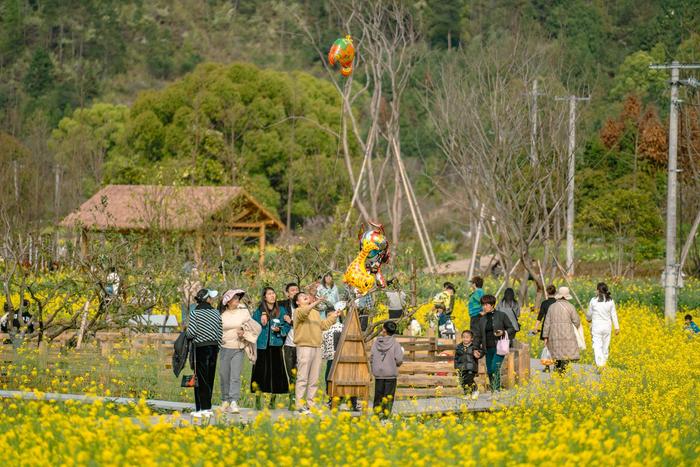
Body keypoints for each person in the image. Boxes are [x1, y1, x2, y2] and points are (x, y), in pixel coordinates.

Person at [293, 291, 340, 414]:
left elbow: (323, 326)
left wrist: (334, 316)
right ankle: (299, 405)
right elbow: (304, 313)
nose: (306, 297)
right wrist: (317, 302)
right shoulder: (298, 311)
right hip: (304, 347)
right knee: (302, 377)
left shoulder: (315, 313)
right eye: (303, 297)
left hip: (317, 347)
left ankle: (311, 404)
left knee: (314, 378)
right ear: (298, 302)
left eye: (306, 296)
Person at [185, 288, 223, 417]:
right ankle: (206, 408)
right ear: (207, 299)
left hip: (200, 348)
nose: (211, 299)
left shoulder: (195, 313)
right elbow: (220, 332)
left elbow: (191, 333)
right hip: (213, 348)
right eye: (210, 297)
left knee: (201, 378)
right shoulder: (216, 312)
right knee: (210, 377)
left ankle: (203, 409)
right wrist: (217, 346)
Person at [251, 287, 290, 409]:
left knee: (276, 373)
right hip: (261, 345)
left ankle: (272, 401)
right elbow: (253, 325)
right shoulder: (259, 311)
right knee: (259, 373)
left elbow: (287, 325)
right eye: (269, 294)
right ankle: (257, 400)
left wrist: (280, 330)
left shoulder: (282, 310)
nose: (272, 296)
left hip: (276, 345)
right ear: (264, 297)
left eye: (273, 293)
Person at [218, 288, 254, 414]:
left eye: (238, 298)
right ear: (228, 301)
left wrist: (243, 331)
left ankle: (234, 401)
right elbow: (217, 330)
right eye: (235, 299)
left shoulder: (243, 312)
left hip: (238, 347)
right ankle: (225, 400)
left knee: (235, 376)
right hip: (224, 347)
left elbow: (251, 326)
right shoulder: (222, 314)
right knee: (223, 374)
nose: (237, 300)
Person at [472, 294, 515, 391]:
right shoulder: (482, 319)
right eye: (483, 305)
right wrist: (475, 348)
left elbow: (512, 328)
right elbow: (478, 335)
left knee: (495, 368)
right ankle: (494, 391)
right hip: (487, 348)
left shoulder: (501, 315)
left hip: (499, 347)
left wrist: (503, 332)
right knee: (490, 370)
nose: (484, 307)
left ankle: (496, 390)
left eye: (486, 304)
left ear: (492, 305)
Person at [542, 287, 581, 374]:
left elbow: (547, 323)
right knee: (565, 354)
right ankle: (562, 371)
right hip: (567, 335)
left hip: (554, 335)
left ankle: (557, 368)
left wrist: (545, 337)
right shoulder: (571, 307)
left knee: (556, 353)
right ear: (567, 296)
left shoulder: (552, 307)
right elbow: (577, 321)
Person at [370, 321, 404, 418]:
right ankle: (386, 416)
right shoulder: (396, 344)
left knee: (378, 395)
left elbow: (371, 357)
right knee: (388, 396)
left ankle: (376, 414)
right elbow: (399, 360)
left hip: (378, 373)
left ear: (384, 330)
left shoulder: (376, 342)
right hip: (390, 374)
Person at [585, 282, 620, 368]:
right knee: (605, 346)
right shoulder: (610, 300)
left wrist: (588, 319)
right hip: (607, 327)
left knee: (597, 346)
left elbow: (589, 313)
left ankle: (600, 365)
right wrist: (616, 327)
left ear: (598, 290)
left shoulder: (593, 300)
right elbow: (613, 314)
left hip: (596, 327)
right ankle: (604, 364)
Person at [280, 282, 300, 409]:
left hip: (301, 344)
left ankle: (299, 400)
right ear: (287, 294)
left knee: (300, 374)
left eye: (297, 290)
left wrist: (291, 321)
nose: (295, 292)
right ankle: (292, 399)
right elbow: (265, 307)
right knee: (290, 373)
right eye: (292, 290)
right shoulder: (282, 305)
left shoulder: (303, 306)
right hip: (288, 344)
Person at [322, 302, 345, 395]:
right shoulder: (324, 328)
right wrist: (323, 355)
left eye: (334, 315)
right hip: (330, 358)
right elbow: (322, 343)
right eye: (329, 315)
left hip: (340, 358)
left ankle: (341, 397)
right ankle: (330, 396)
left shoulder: (342, 327)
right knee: (328, 377)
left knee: (341, 377)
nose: (332, 317)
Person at [533, 285, 557, 372]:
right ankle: (555, 366)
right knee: (555, 346)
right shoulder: (557, 303)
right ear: (555, 292)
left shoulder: (544, 303)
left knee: (547, 346)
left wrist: (535, 327)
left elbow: (540, 316)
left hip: (546, 326)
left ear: (547, 292)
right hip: (555, 326)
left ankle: (547, 367)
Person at [455, 330, 479, 399]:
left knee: (469, 379)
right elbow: (456, 358)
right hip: (461, 367)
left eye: (467, 337)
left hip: (471, 367)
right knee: (462, 381)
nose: (465, 339)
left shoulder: (474, 347)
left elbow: (479, 353)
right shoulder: (459, 347)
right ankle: (467, 393)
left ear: (471, 338)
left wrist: (478, 353)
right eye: (464, 337)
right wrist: (456, 367)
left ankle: (475, 390)